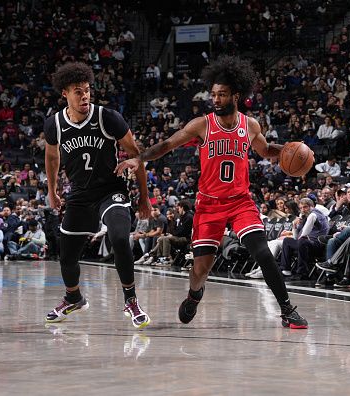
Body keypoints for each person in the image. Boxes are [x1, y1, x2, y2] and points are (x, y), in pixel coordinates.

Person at [116, 56, 308, 329]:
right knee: (201, 269)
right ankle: (195, 295)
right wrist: (140, 159)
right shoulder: (202, 124)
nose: (216, 100)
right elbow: (168, 144)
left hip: (241, 202)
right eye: (214, 95)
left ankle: (288, 310)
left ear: (236, 96)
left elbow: (266, 151)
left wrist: (289, 150)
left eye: (222, 95)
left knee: (263, 253)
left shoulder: (250, 125)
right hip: (209, 205)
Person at [43, 62, 151, 328]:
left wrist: (145, 198)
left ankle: (131, 300)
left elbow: (136, 154)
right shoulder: (54, 124)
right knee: (66, 256)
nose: (84, 96)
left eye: (87, 90)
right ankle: (73, 297)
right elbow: (52, 155)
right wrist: (52, 190)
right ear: (65, 94)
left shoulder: (107, 117)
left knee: (118, 236)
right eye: (78, 92)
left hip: (110, 190)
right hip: (79, 195)